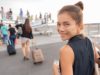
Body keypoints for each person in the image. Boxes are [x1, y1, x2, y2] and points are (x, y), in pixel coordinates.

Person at [53, 1, 100, 75]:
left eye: (66, 24)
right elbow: (97, 60)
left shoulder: (66, 51)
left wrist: (55, 70)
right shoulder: (89, 41)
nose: (60, 29)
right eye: (58, 24)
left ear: (80, 26)